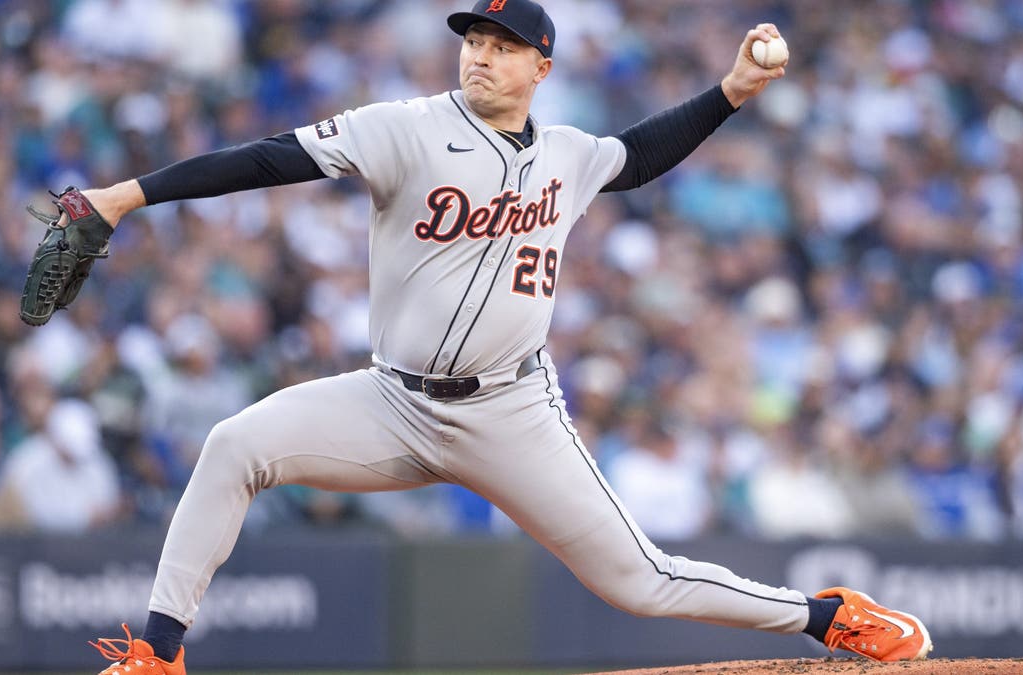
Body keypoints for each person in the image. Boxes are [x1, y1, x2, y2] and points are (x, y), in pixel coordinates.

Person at [76, 2, 932, 673]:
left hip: (511, 410)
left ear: (540, 66)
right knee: (234, 444)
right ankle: (157, 651)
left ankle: (828, 616)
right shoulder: (404, 127)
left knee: (642, 582)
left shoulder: (566, 152)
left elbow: (638, 155)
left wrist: (734, 91)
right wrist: (127, 196)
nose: (480, 54)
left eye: (501, 43)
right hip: (390, 400)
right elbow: (268, 159)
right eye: (473, 39)